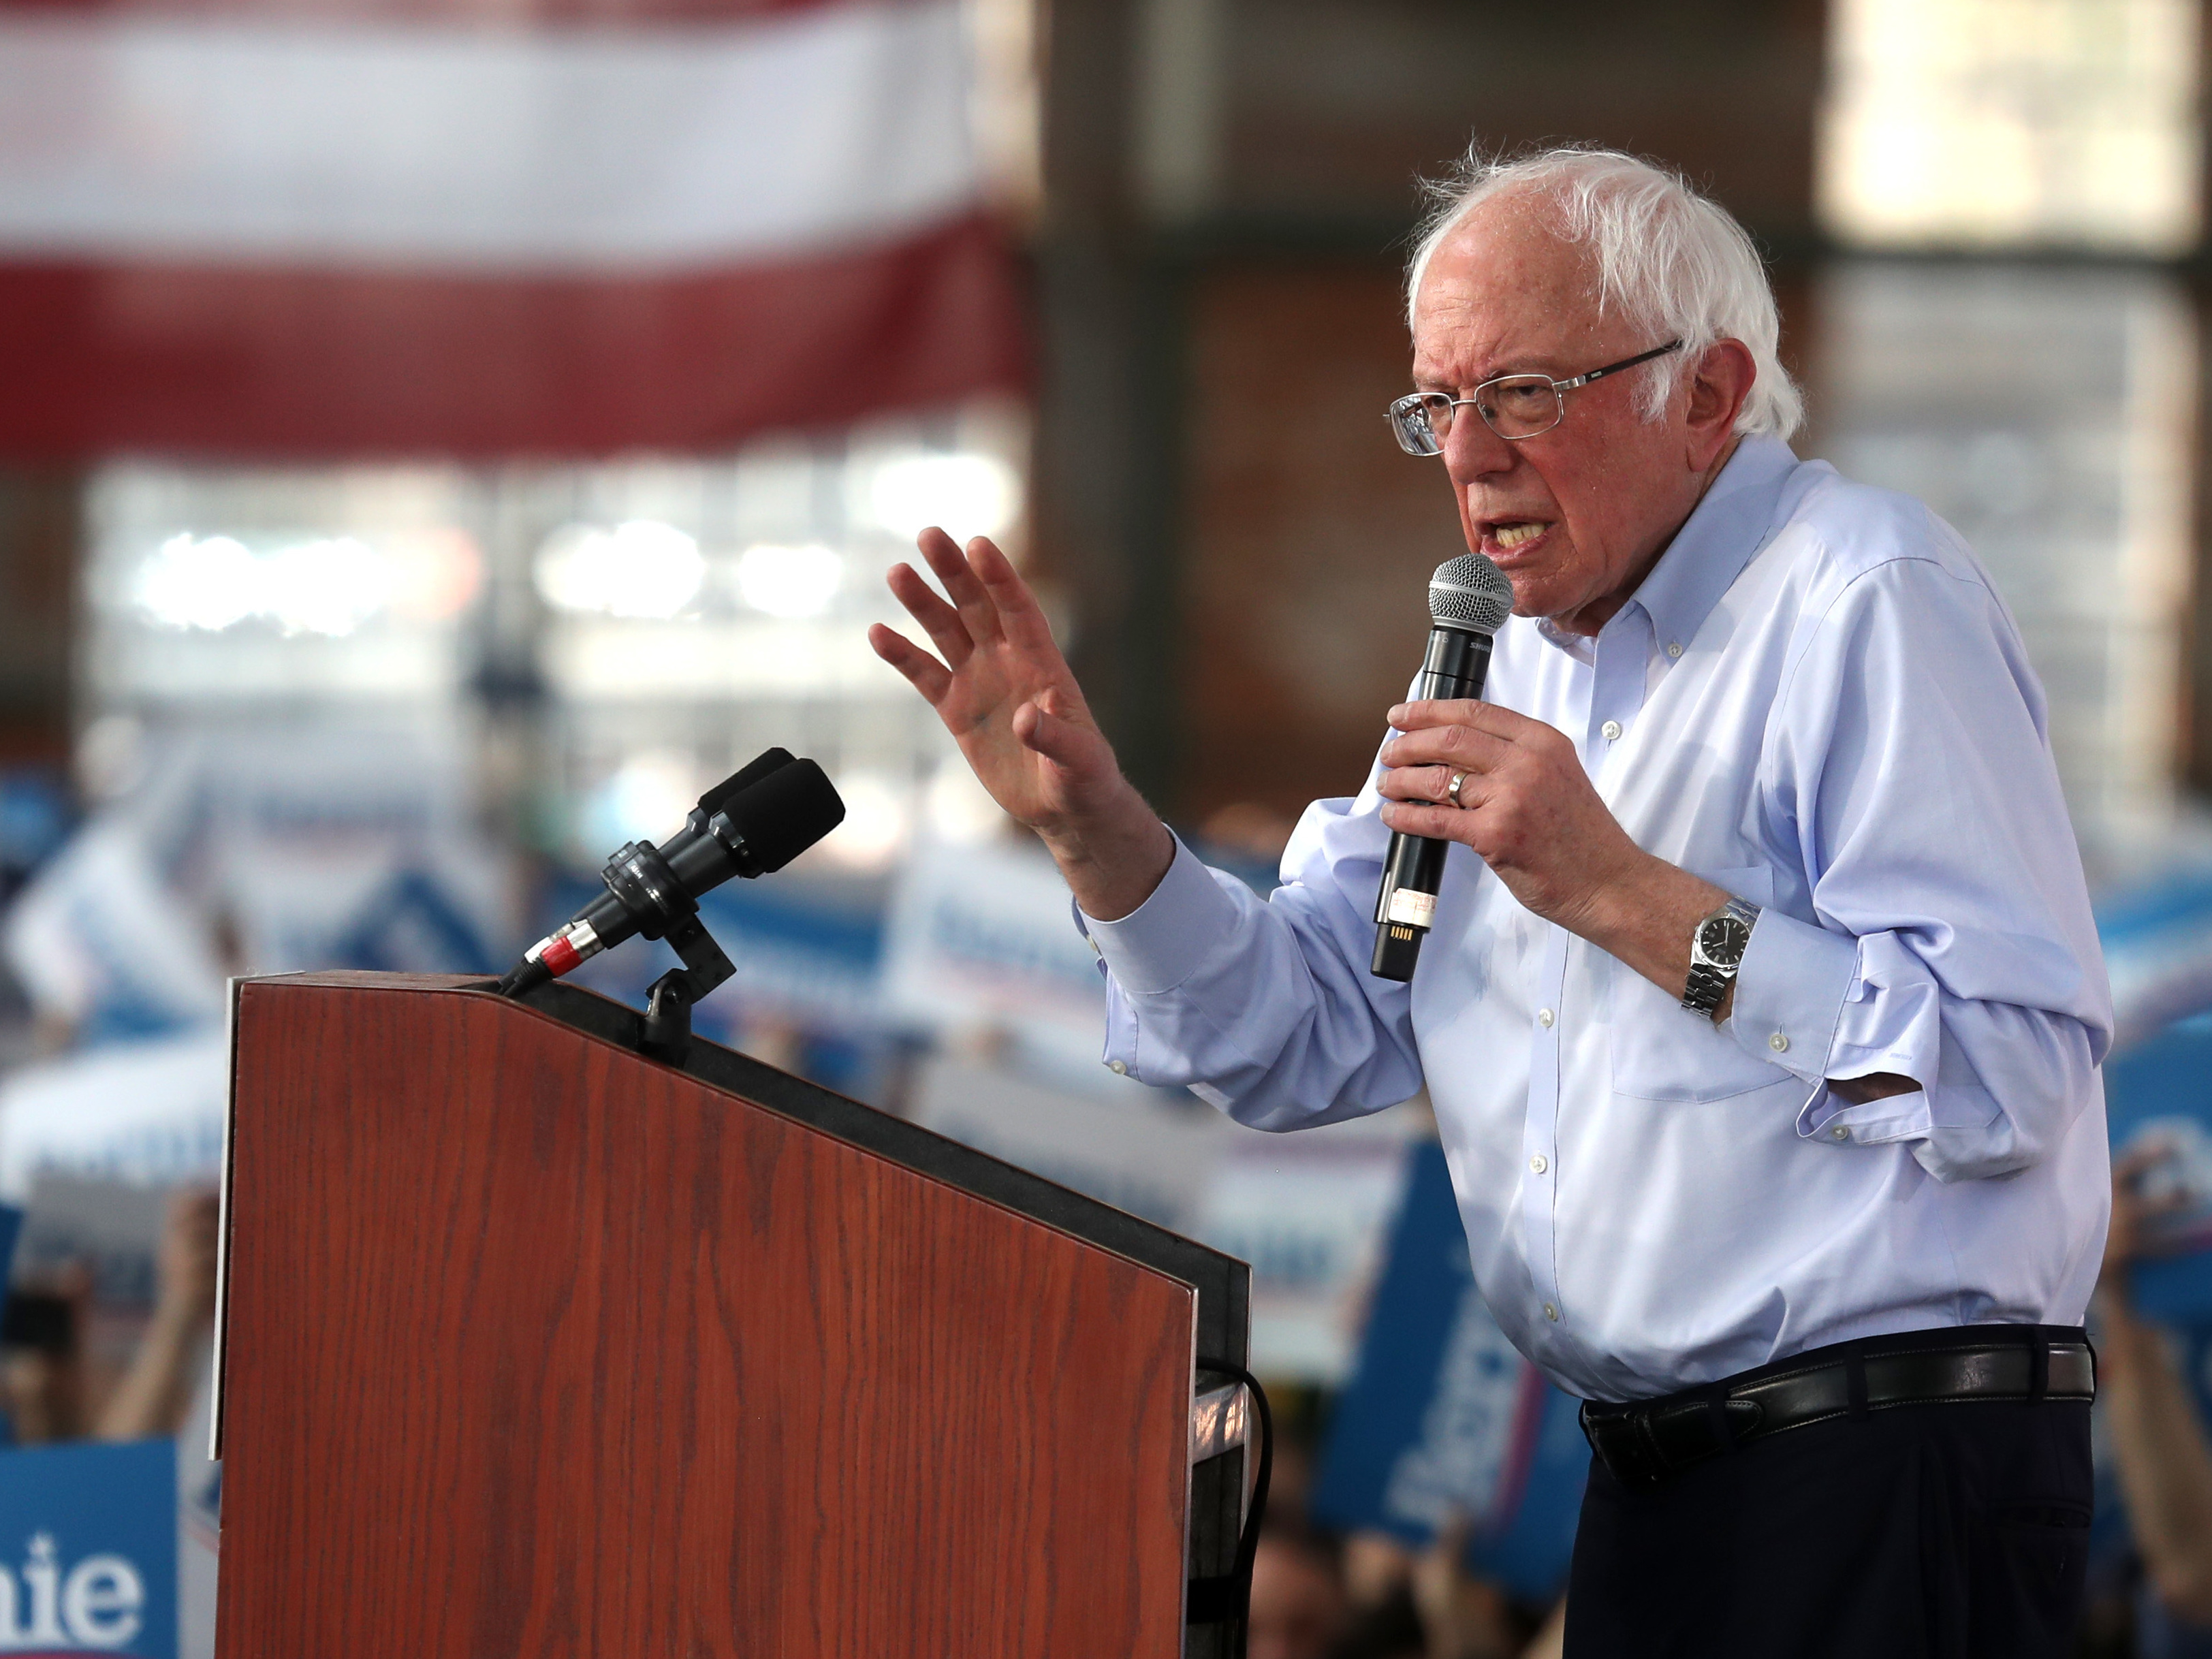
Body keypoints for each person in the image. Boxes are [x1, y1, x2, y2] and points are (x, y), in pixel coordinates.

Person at [870, 145, 2111, 1656]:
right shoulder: (1505, 654)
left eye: (1523, 392)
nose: (1469, 455)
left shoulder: (1865, 601)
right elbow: (1296, 1034)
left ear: (1707, 394)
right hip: (1652, 1484)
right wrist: (1097, 834)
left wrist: (1619, 893)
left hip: (1885, 1477)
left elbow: (2003, 1075)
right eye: (1436, 405)